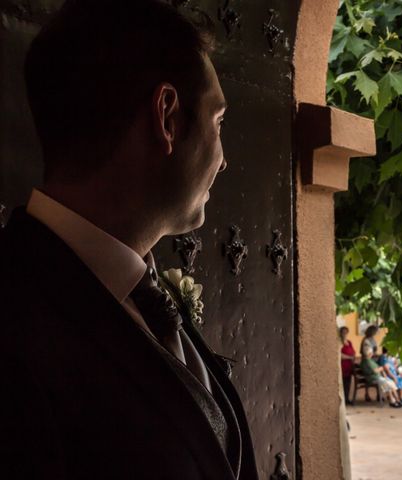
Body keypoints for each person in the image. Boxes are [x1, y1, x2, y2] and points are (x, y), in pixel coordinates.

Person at [0, 1, 258, 478]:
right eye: (218, 122)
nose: (223, 161)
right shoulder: (13, 326)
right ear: (167, 117)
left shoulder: (147, 296)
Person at [340, 326, 357, 405]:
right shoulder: (340, 343)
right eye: (343, 332)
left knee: (348, 383)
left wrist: (353, 356)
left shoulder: (349, 342)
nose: (345, 334)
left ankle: (347, 399)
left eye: (346, 332)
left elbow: (353, 351)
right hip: (343, 366)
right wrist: (350, 357)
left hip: (349, 366)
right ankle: (343, 400)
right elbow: (340, 355)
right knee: (342, 383)